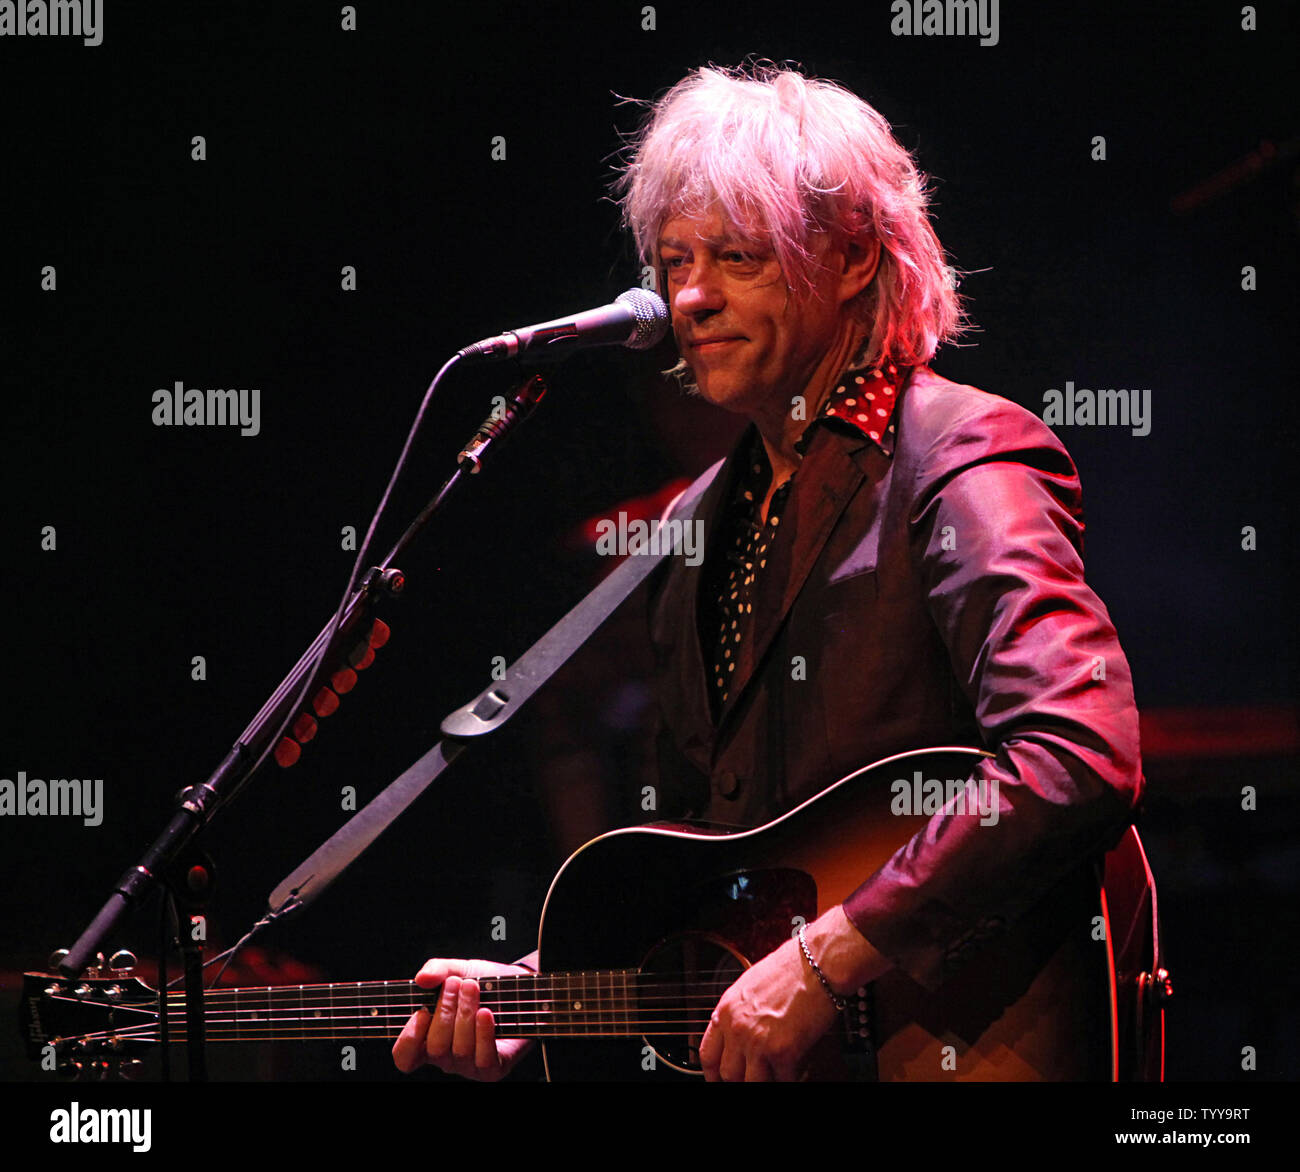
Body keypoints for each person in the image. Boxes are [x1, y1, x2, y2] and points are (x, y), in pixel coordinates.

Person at [392, 63, 1144, 1083]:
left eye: (736, 256)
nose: (689, 297)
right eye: (672, 260)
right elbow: (717, 861)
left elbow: (1075, 750)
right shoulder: (697, 518)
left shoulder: (957, 460)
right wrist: (537, 988)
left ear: (848, 256)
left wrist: (831, 958)